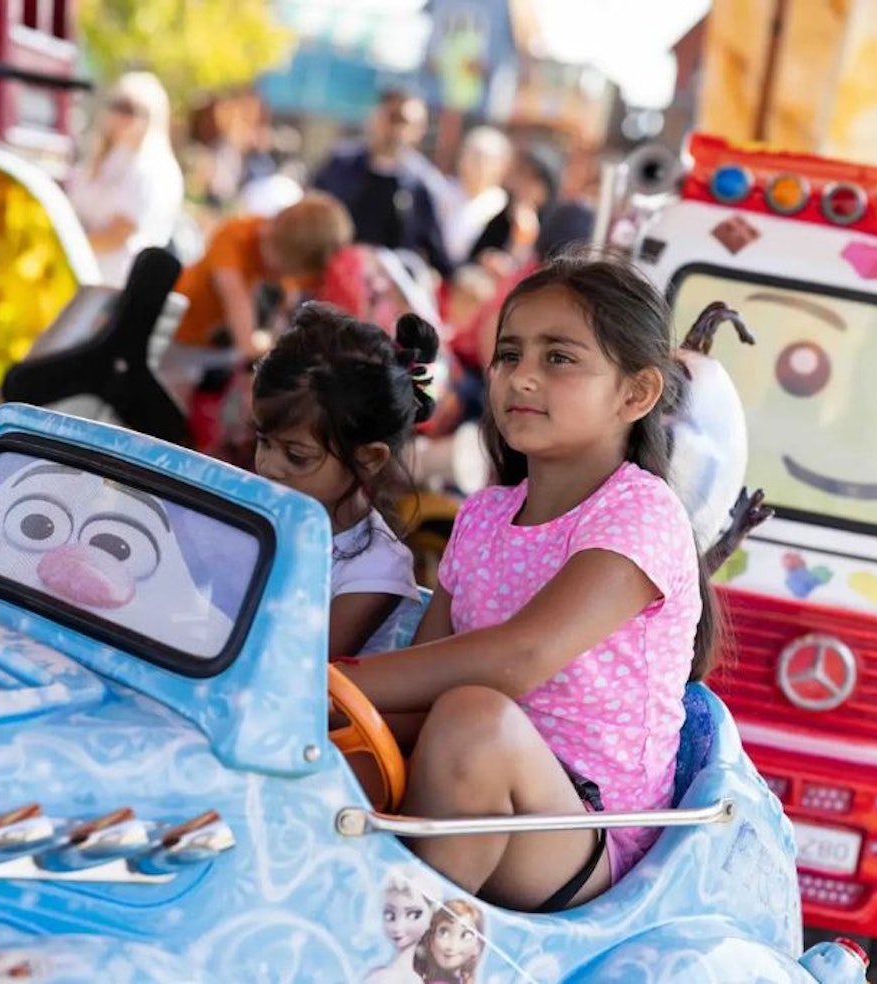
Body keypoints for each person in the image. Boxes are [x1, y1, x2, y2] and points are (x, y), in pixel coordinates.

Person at [335, 250, 716, 912]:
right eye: (510, 355)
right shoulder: (483, 515)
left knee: (474, 716)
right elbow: (423, 676)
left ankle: (402, 956)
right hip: (471, 784)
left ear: (636, 393)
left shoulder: (640, 512)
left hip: (582, 833)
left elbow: (518, 657)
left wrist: (326, 680)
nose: (523, 377)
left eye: (558, 358)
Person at [251, 303, 435, 658]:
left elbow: (303, 676)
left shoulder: (376, 568)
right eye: (263, 442)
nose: (269, 466)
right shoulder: (259, 509)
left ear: (370, 458)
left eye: (296, 455)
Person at [168, 192, 355, 370]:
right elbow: (237, 303)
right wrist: (257, 354)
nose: (264, 233)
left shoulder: (299, 260)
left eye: (286, 271)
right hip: (178, 329)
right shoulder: (236, 234)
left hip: (218, 350)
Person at [314, 89, 452, 277]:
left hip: (387, 290)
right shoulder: (340, 164)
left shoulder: (423, 185)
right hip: (332, 278)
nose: (395, 130)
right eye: (391, 118)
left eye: (404, 122)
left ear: (419, 130)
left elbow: (435, 252)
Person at [68, 71, 185, 287]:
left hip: (116, 285)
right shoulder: (107, 157)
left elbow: (119, 234)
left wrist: (67, 244)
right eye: (117, 106)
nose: (121, 116)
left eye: (130, 109)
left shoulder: (152, 167)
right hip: (84, 274)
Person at [438, 127, 512, 268]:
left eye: (488, 159)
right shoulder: (440, 191)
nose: (480, 165)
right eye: (475, 156)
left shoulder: (504, 206)